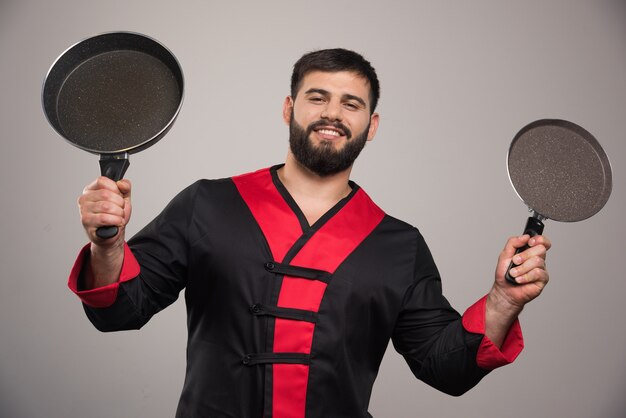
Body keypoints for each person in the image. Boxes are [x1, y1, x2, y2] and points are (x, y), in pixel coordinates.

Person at [69, 48, 550, 418]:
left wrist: (503, 302)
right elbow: (120, 310)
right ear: (288, 108)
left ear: (372, 125)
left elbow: (445, 369)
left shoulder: (400, 246)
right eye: (317, 97)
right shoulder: (208, 203)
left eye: (351, 104)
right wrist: (106, 243)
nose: (332, 114)